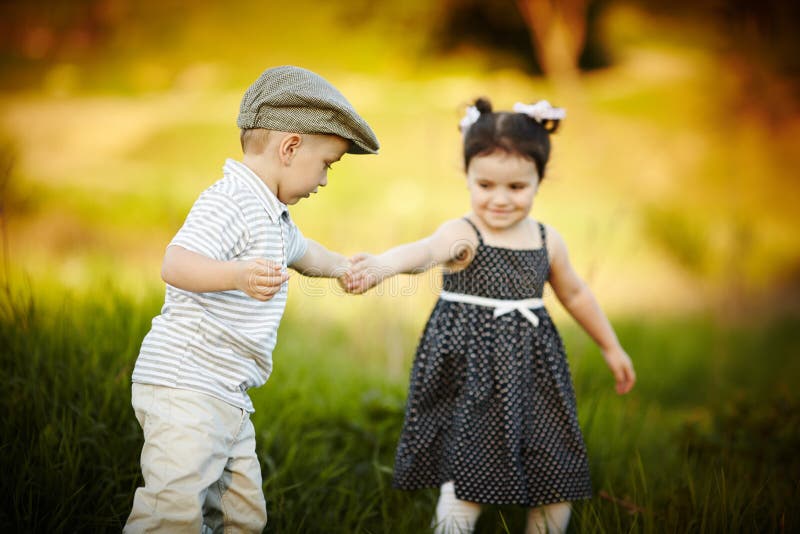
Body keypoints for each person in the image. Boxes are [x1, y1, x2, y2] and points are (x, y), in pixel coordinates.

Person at [345, 97, 636, 534]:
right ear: (468, 178)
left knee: (554, 474)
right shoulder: (465, 232)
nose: (499, 200)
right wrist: (384, 265)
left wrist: (611, 346)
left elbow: (575, 294)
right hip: (474, 377)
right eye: (485, 185)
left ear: (539, 180)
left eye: (517, 188)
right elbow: (426, 252)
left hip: (535, 376)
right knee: (469, 480)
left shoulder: (546, 239)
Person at [124, 65, 379, 533]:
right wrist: (236, 275)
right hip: (187, 384)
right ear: (289, 148)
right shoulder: (231, 201)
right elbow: (175, 263)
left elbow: (306, 254)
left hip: (227, 395)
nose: (324, 180)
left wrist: (343, 267)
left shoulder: (274, 217)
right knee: (172, 513)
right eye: (327, 164)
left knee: (243, 516)